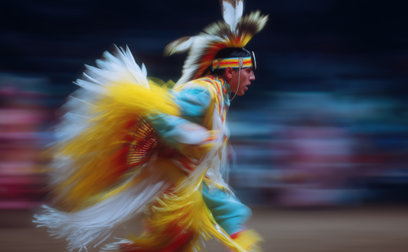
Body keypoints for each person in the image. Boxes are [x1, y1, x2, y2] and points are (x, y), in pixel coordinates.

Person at [34, 1, 268, 252]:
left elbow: (208, 183)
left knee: (178, 238)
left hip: (175, 179)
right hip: (165, 176)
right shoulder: (204, 92)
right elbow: (158, 114)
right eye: (249, 71)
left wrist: (237, 231)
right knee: (177, 236)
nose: (253, 77)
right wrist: (191, 135)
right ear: (231, 72)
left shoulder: (218, 97)